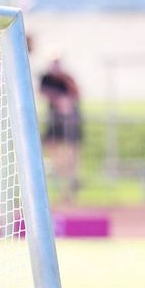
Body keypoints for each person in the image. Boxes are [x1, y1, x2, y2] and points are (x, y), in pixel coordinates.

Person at [39, 56, 82, 203]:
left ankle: (68, 191)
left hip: (68, 126)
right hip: (55, 125)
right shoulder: (47, 79)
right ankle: (60, 185)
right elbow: (42, 92)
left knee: (70, 159)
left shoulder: (67, 79)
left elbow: (76, 94)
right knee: (55, 156)